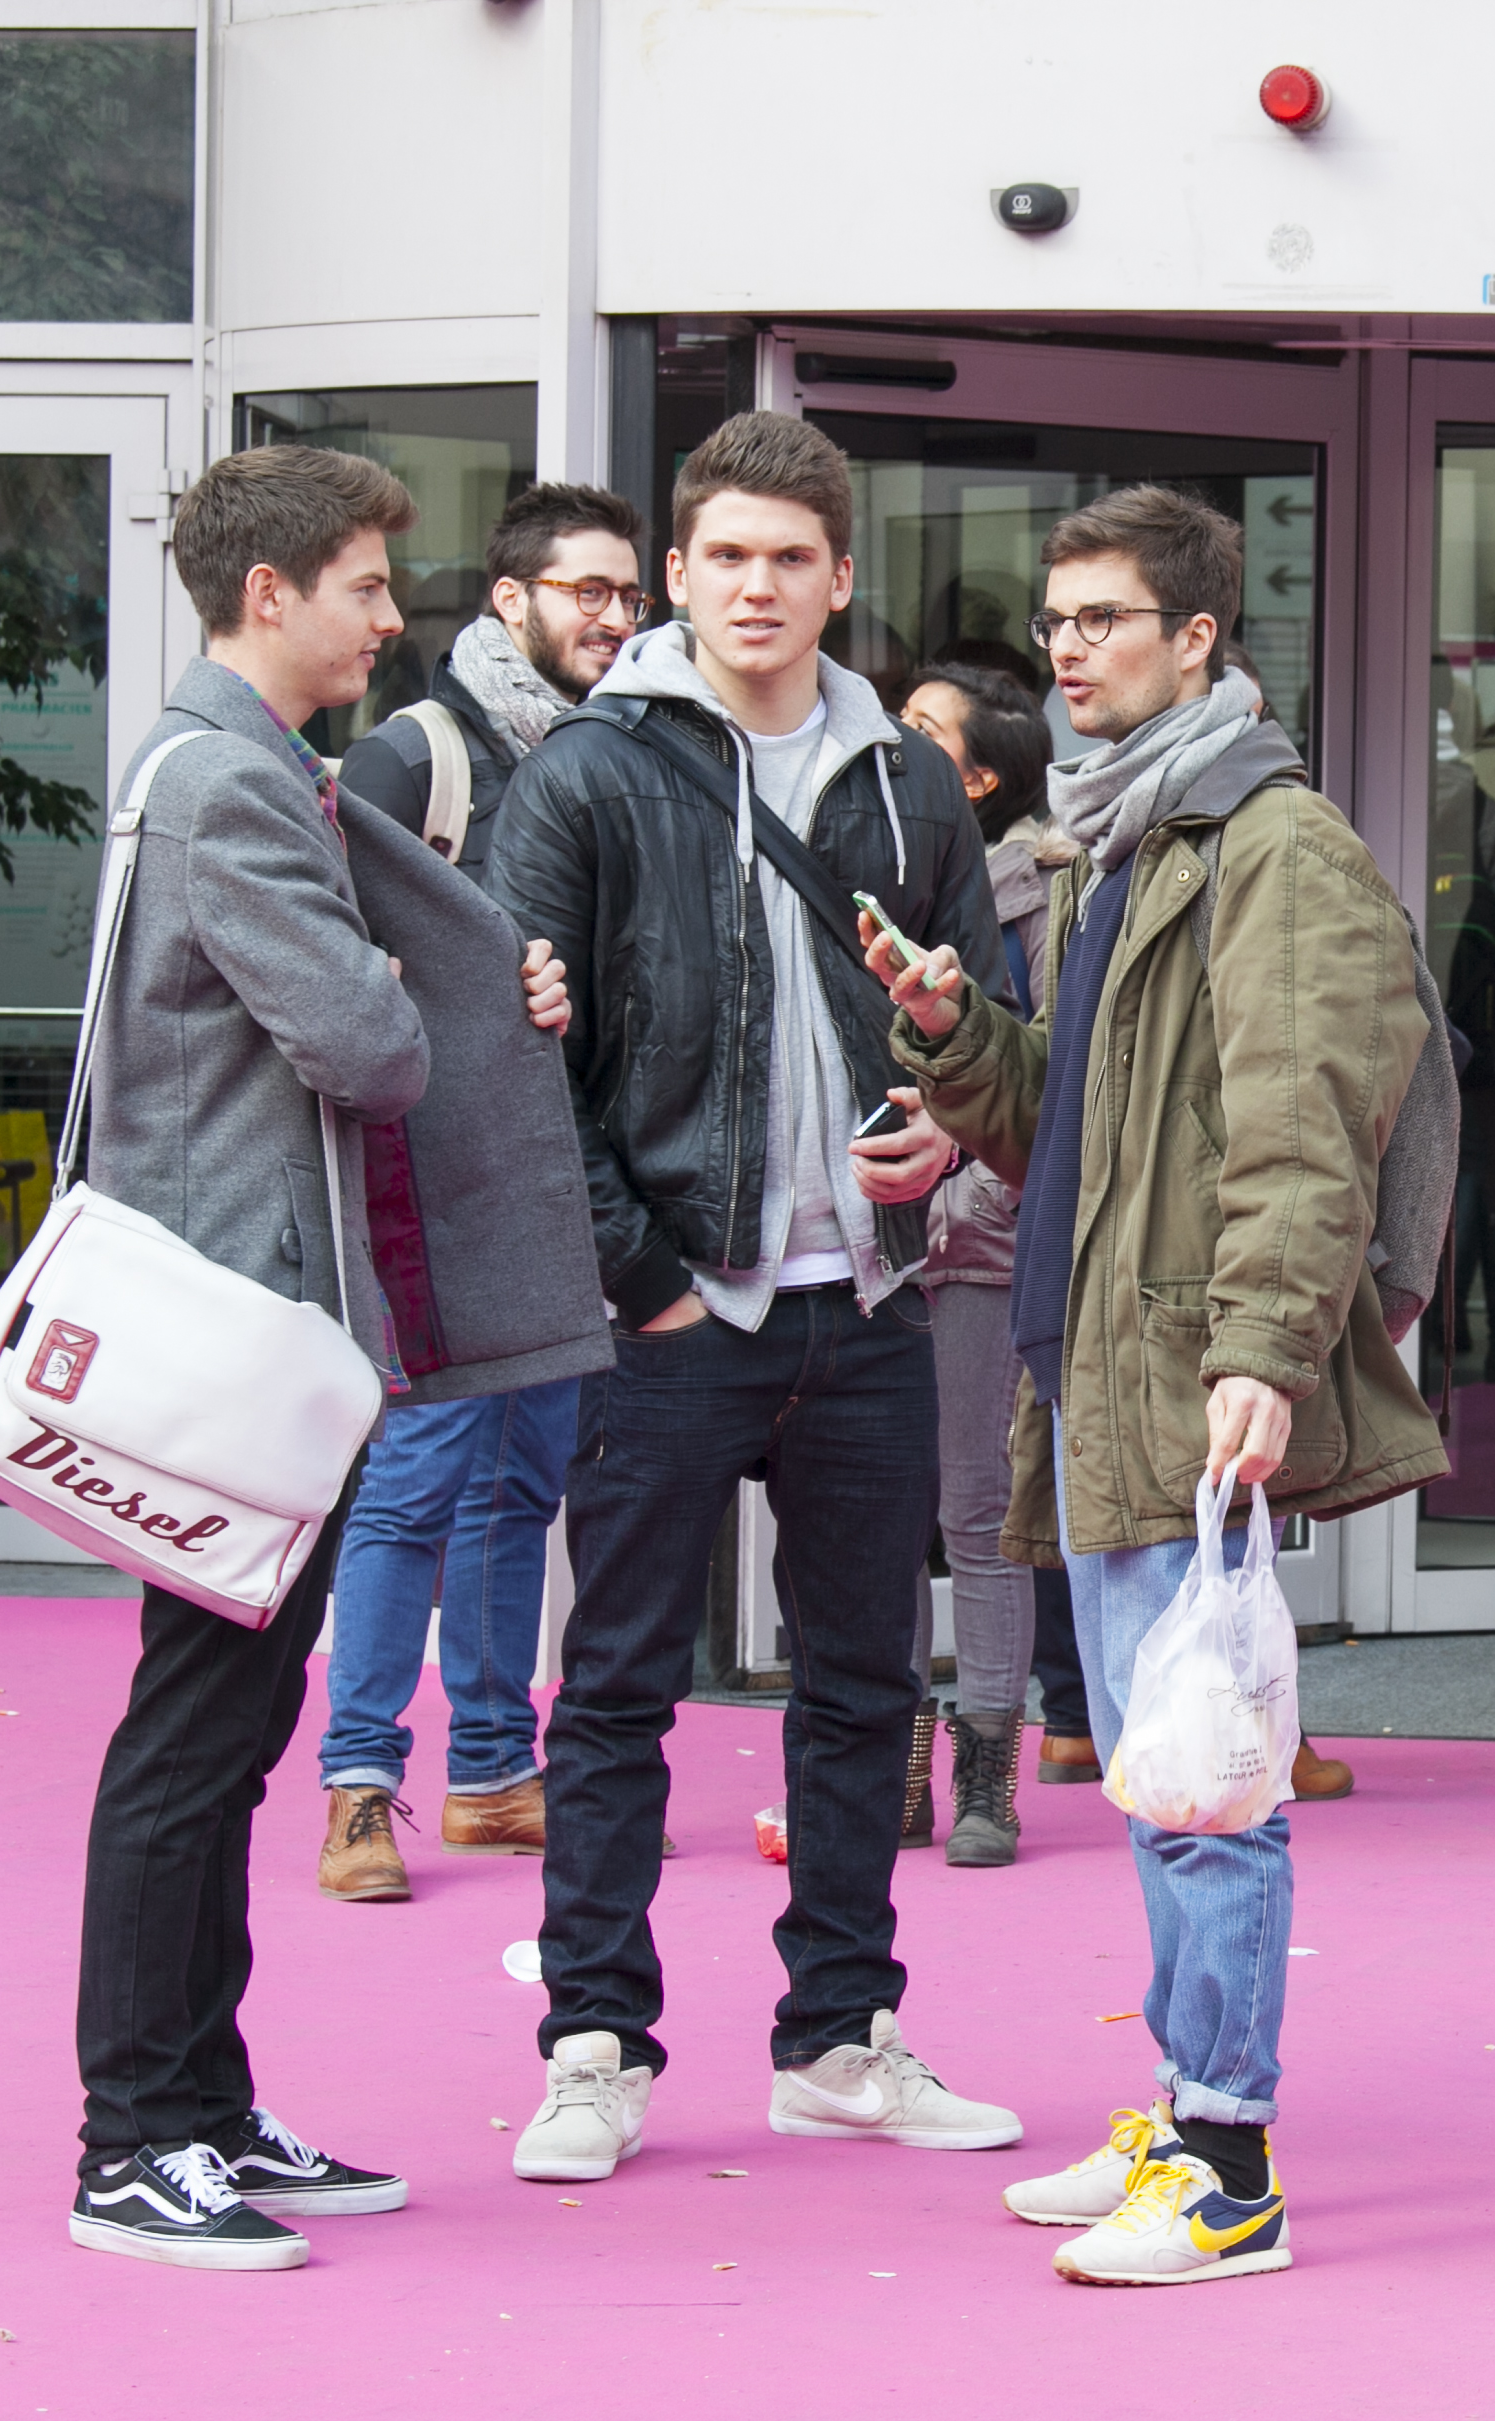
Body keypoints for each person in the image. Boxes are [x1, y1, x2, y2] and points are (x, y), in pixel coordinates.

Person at [879, 482, 1445, 2286]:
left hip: (1183, 1364)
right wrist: (955, 1029)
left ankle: (1225, 2162)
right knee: (1156, 1764)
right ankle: (1185, 2107)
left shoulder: (1276, 845)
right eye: (1056, 619)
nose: (1067, 650)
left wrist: (1264, 1351)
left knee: (1209, 1777)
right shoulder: (1120, 835)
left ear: (1198, 637)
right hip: (1098, 1352)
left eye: (1104, 619)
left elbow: (1307, 1128)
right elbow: (1068, 1118)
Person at [70, 445, 598, 2268]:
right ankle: (137, 2136)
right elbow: (366, 1049)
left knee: (223, 1729)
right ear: (269, 591)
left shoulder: (219, 765)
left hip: (249, 1321)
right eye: (366, 584)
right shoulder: (230, 781)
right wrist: (435, 976)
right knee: (196, 1732)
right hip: (245, 1325)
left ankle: (198, 2106)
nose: (390, 616)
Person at [487, 411, 1014, 2184]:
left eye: (791, 557)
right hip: (675, 1305)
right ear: (677, 573)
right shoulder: (590, 769)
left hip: (866, 1299)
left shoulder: (909, 782)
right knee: (618, 1687)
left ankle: (840, 2037)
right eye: (726, 555)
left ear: (839, 576)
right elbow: (513, 1054)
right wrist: (635, 1275)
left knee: (864, 1688)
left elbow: (982, 1021)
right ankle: (592, 2042)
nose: (758, 586)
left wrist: (944, 1133)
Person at [311, 481, 647, 1899]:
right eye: (586, 591)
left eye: (629, 595)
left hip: (566, 1176)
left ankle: (496, 1772)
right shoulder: (419, 751)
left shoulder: (622, 754)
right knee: (414, 1484)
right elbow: (320, 943)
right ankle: (357, 1786)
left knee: (522, 1486)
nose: (614, 617)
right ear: (512, 599)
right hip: (437, 1180)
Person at [899, 660, 1063, 1866]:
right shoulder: (859, 864)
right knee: (869, 1515)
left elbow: (1053, 1078)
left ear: (980, 778)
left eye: (921, 729)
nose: (890, 739)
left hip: (974, 1237)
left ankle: (988, 1774)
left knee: (977, 1508)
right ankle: (895, 1767)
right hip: (856, 1236)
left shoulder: (1044, 897)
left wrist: (959, 1173)